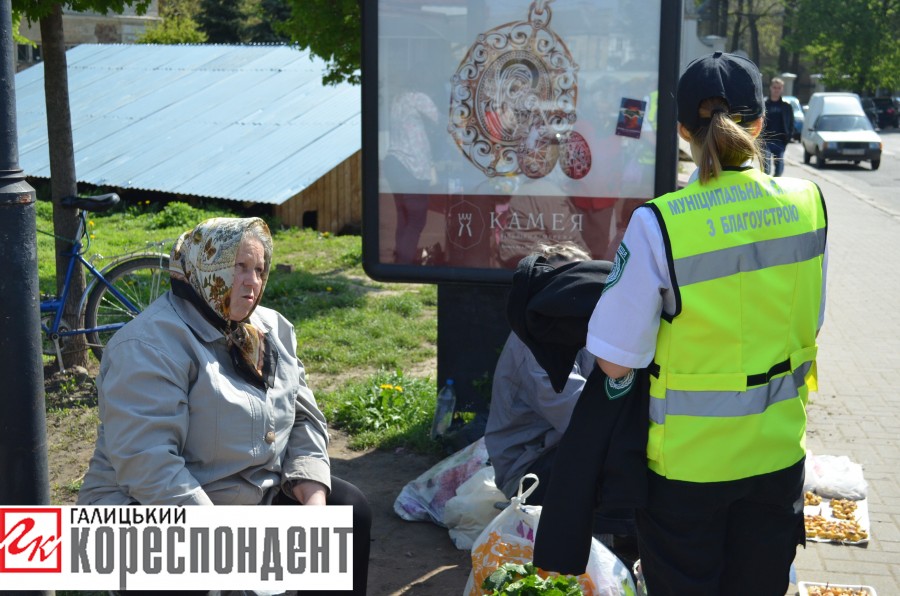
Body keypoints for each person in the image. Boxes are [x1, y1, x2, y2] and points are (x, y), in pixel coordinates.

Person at [586, 52, 827, 595]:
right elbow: (812, 321)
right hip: (776, 458)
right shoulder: (809, 203)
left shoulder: (659, 223)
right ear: (760, 123)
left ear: (681, 132)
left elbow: (614, 361)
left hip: (685, 472)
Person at [77, 217, 372, 595]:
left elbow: (303, 418)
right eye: (239, 267)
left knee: (347, 512)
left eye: (259, 270)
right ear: (205, 267)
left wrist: (311, 496)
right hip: (154, 508)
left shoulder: (272, 329)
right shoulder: (148, 345)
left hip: (251, 497)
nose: (252, 282)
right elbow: (148, 464)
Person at [485, 241, 594, 505]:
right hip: (527, 472)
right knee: (614, 459)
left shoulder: (581, 327)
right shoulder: (536, 341)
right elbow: (582, 419)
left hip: (557, 450)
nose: (575, 293)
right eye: (565, 285)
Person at [383, 86, 439, 264]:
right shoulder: (418, 98)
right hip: (412, 165)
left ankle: (400, 263)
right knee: (416, 220)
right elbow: (443, 121)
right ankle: (404, 264)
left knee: (404, 218)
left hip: (394, 162)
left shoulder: (398, 99)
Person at [762, 76, 795, 176]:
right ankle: (766, 184)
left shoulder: (786, 107)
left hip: (780, 141)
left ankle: (776, 184)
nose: (776, 90)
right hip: (766, 141)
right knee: (766, 169)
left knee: (779, 168)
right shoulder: (763, 105)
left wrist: (788, 138)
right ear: (770, 88)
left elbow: (791, 124)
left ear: (782, 89)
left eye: (779, 88)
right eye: (774, 87)